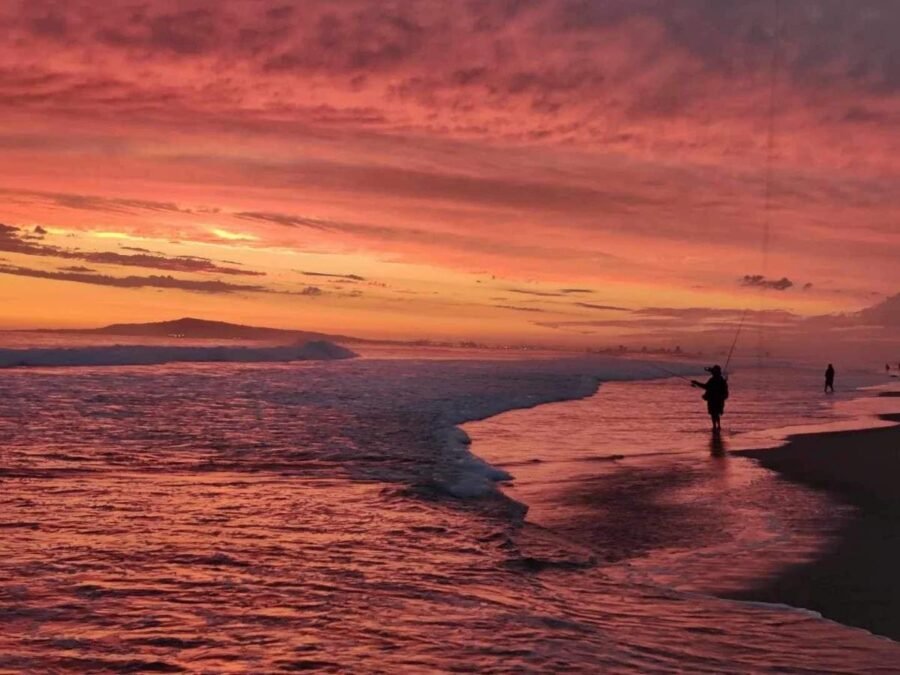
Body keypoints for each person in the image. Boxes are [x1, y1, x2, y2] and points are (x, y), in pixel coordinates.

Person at [691, 365, 729, 433]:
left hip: (713, 399)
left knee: (713, 413)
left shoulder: (714, 380)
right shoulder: (721, 380)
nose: (712, 373)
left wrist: (696, 382)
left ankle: (715, 426)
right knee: (716, 413)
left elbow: (706, 387)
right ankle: (718, 426)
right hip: (718, 400)